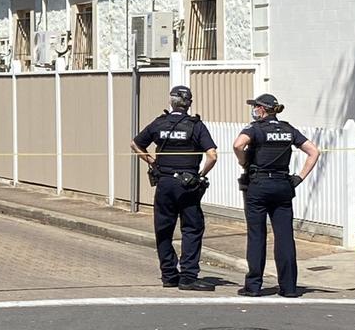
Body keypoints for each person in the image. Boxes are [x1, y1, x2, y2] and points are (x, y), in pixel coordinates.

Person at [131, 85, 219, 291]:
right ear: (189, 103)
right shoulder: (196, 126)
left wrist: (151, 162)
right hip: (187, 184)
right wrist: (200, 175)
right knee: (192, 227)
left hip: (164, 182)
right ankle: (188, 276)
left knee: (163, 229)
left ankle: (169, 275)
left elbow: (135, 144)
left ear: (171, 102)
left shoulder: (160, 123)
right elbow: (212, 155)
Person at [232, 94, 320, 297]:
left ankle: (253, 286)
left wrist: (244, 161)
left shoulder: (255, 128)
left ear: (262, 109)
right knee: (285, 237)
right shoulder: (288, 129)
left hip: (259, 185)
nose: (254, 110)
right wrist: (298, 178)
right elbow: (313, 152)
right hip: (283, 185)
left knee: (257, 235)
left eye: (256, 107)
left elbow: (238, 145)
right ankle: (289, 287)